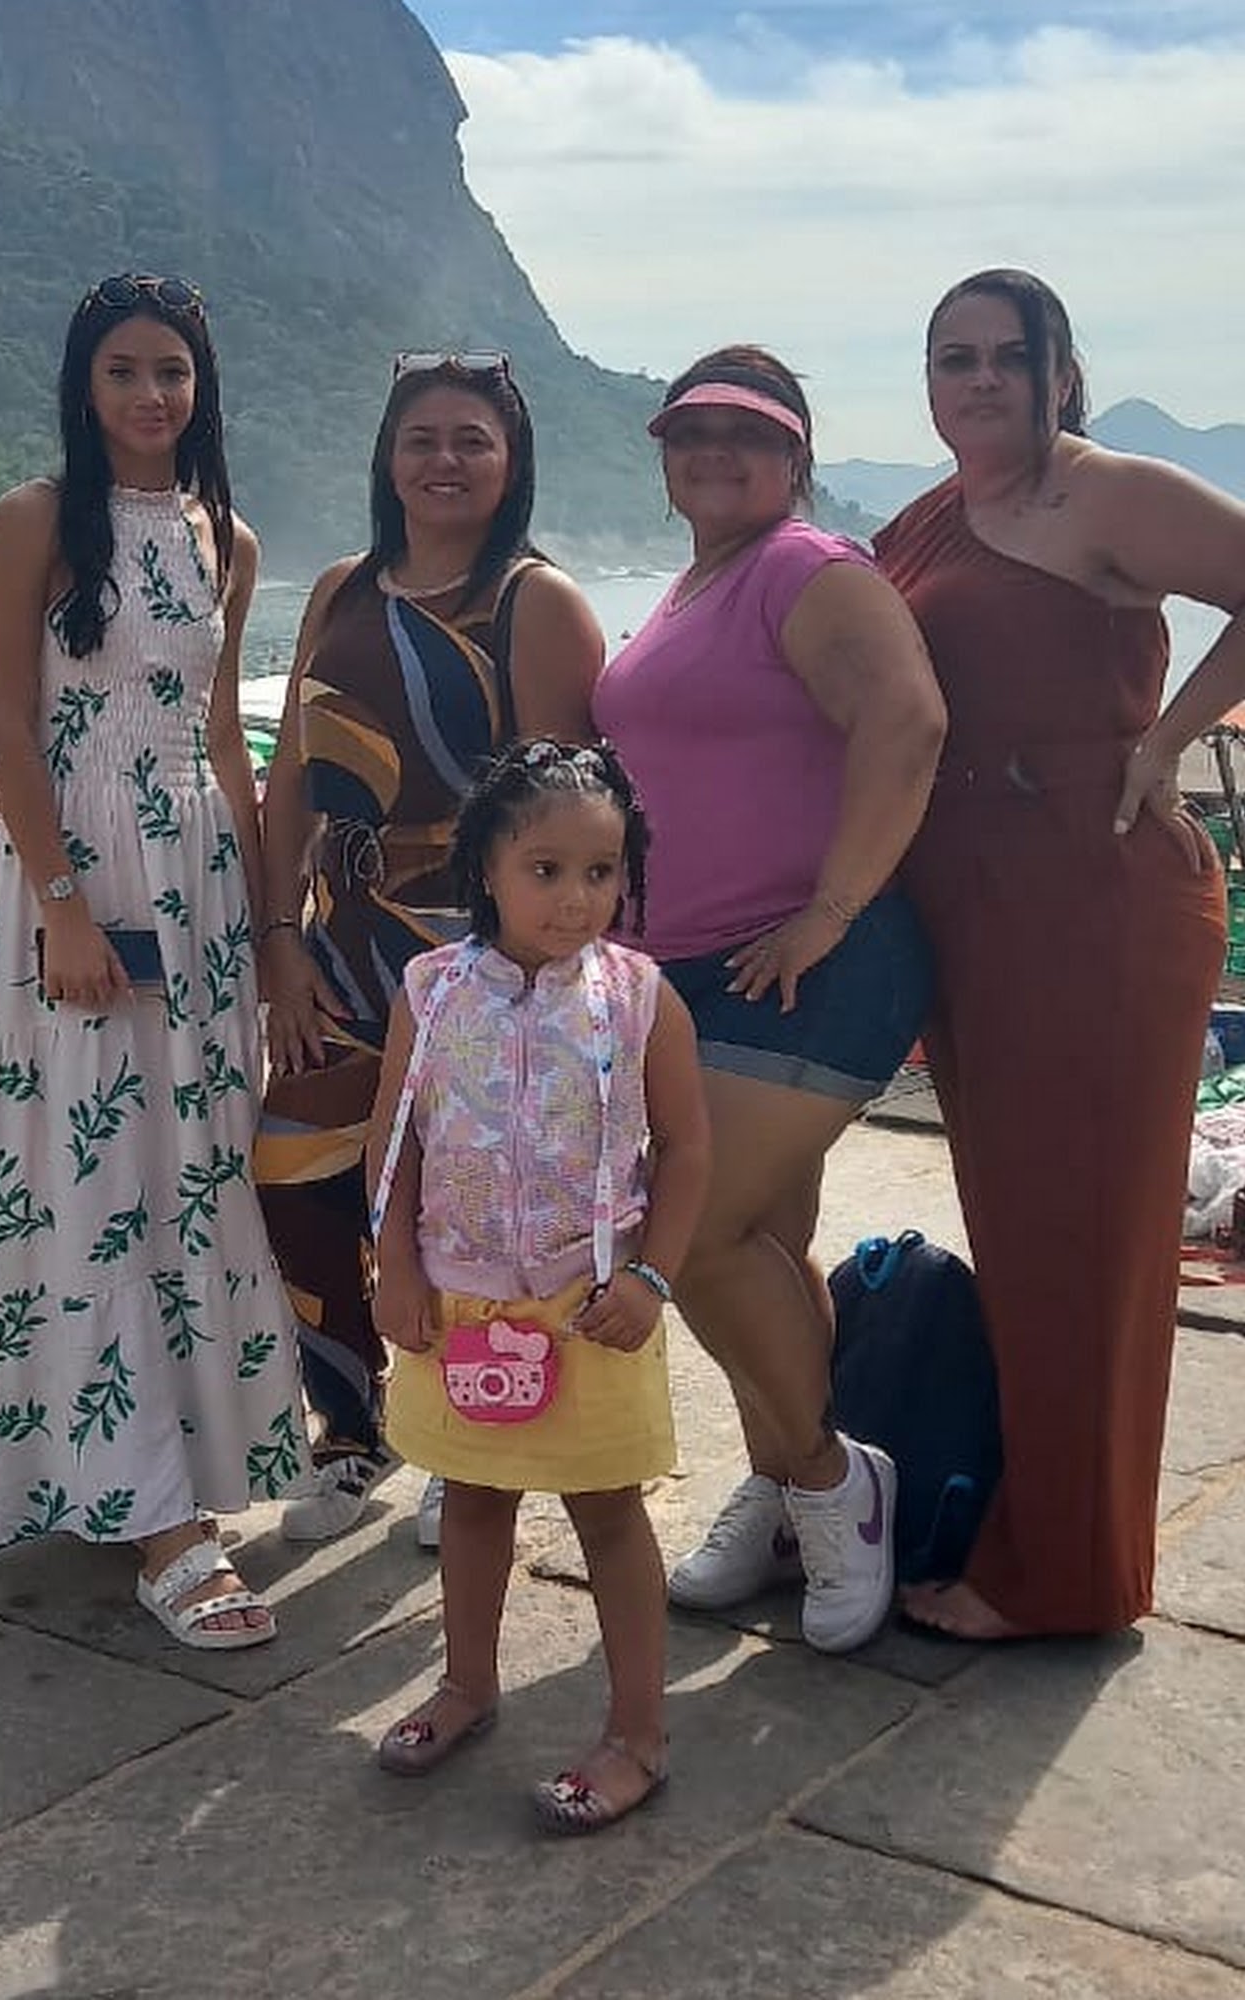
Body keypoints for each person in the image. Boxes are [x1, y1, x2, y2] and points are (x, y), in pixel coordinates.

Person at [874, 269, 1245, 1640]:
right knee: (1024, 1232)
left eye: (1007, 356)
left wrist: (1170, 733)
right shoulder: (929, 517)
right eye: (953, 357)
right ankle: (1042, 1528)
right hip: (972, 898)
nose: (979, 379)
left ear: (1059, 375)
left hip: (1091, 892)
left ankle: (1066, 1579)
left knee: (1083, 1239)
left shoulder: (1101, 493)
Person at [0, 270, 305, 1650]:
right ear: (83, 385)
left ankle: (158, 1465)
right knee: (93, 1170)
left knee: (195, 1168)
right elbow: (4, 720)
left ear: (201, 384)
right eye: (124, 370)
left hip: (201, 873)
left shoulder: (230, 537)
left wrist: (267, 928)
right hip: (84, 865)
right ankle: (156, 1516)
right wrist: (59, 903)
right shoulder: (35, 521)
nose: (151, 393)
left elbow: (224, 739)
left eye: (172, 369)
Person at [592, 345, 947, 1654]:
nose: (713, 454)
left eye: (746, 435)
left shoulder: (804, 566)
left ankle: (833, 1482)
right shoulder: (698, 584)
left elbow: (907, 721)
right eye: (689, 433)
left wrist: (830, 910)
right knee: (765, 1240)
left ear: (795, 458)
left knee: (688, 1233)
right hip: (687, 975)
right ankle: (780, 1488)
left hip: (802, 965)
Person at [256, 353, 605, 1547]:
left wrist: (529, 973)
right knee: (296, 1174)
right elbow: (290, 779)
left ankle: (470, 1438)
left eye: (471, 440)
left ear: (510, 463)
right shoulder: (341, 588)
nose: (443, 460)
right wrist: (277, 941)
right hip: (343, 942)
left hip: (476, 950)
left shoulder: (533, 601)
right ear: (387, 457)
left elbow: (561, 814)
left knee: (470, 1202)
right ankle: (353, 1429)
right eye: (421, 438)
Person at [368, 738, 709, 1831]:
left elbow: (688, 1149)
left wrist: (652, 1276)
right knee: (472, 1496)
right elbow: (394, 1141)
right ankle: (466, 1684)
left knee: (608, 1512)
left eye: (600, 872)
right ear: (487, 868)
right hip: (458, 1303)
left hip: (589, 1310)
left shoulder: (640, 997)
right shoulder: (430, 992)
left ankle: (638, 1732)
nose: (575, 899)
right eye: (545, 869)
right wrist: (393, 1266)